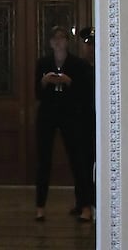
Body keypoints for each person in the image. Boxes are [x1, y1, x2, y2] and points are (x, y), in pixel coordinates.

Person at [33, 26, 90, 222]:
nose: (58, 41)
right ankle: (40, 207)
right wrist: (44, 82)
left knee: (78, 160)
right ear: (50, 43)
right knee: (43, 161)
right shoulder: (42, 63)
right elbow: (37, 94)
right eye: (54, 38)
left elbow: (84, 94)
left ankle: (84, 206)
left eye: (62, 38)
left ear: (67, 41)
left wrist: (69, 82)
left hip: (70, 115)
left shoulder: (77, 64)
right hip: (47, 114)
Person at [71, 26, 95, 222]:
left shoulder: (106, 65)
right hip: (81, 122)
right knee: (81, 165)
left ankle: (91, 204)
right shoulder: (79, 67)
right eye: (88, 44)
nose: (91, 48)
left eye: (93, 43)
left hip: (99, 122)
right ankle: (83, 204)